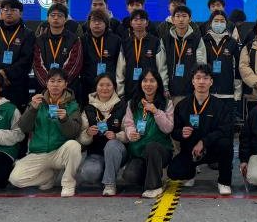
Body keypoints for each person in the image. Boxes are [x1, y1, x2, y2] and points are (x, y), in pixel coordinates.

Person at [8, 69, 84, 196]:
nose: (55, 85)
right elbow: (24, 128)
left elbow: (74, 133)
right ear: (46, 83)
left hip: (59, 152)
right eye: (52, 81)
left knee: (74, 145)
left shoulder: (72, 105)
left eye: (59, 81)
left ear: (65, 84)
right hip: (39, 152)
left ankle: (68, 183)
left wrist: (65, 119)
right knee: (15, 179)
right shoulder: (37, 102)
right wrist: (32, 109)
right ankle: (49, 176)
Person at [168, 65, 236, 195]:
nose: (201, 81)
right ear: (192, 81)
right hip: (190, 150)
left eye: (205, 78)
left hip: (212, 149)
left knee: (226, 144)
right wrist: (181, 133)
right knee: (174, 172)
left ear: (211, 81)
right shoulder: (182, 105)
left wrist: (204, 142)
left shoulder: (220, 106)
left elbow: (225, 130)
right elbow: (174, 132)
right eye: (198, 78)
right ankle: (191, 173)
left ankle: (224, 182)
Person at [121, 69, 174, 199]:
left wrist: (156, 111)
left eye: (152, 81)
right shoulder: (132, 103)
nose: (148, 84)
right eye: (145, 81)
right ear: (140, 83)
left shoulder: (167, 103)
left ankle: (155, 186)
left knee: (152, 146)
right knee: (130, 176)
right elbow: (128, 124)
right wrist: (131, 133)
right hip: (139, 151)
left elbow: (168, 128)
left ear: (158, 84)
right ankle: (152, 175)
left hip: (160, 151)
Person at [77, 74, 128, 196]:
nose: (105, 88)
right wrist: (88, 133)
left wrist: (116, 136)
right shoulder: (88, 108)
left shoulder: (122, 106)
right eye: (101, 85)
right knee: (88, 173)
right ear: (96, 87)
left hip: (118, 152)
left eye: (108, 85)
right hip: (96, 153)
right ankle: (107, 172)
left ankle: (110, 184)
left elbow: (128, 134)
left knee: (112, 144)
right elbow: (81, 139)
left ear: (114, 87)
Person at [0, 0, 35, 110]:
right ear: (1, 12)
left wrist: (6, 73)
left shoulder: (28, 34)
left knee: (17, 115)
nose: (9, 13)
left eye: (13, 10)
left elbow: (26, 59)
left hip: (17, 84)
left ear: (20, 13)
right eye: (5, 10)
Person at [116, 8, 169, 99]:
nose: (139, 23)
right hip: (130, 88)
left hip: (151, 88)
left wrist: (164, 87)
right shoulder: (125, 43)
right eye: (136, 20)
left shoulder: (155, 42)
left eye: (142, 20)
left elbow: (162, 67)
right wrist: (120, 92)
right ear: (131, 23)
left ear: (147, 23)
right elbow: (120, 70)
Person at [163, 5, 206, 104]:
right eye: (178, 16)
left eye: (184, 16)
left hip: (191, 91)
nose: (181, 19)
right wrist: (165, 87)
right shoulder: (165, 40)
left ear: (190, 19)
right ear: (173, 19)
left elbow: (201, 64)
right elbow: (162, 65)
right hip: (170, 91)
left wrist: (198, 86)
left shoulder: (197, 39)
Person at [33, 3, 82, 91]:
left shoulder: (74, 39)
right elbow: (37, 65)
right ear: (48, 18)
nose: (56, 18)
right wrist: (49, 84)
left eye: (60, 15)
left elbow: (74, 65)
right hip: (44, 89)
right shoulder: (39, 40)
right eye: (53, 15)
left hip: (68, 88)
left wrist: (61, 83)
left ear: (66, 19)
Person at [203, 10, 240, 118]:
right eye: (216, 21)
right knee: (209, 123)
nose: (219, 23)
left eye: (222, 21)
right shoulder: (204, 41)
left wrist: (237, 92)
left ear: (226, 23)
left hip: (227, 92)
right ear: (210, 23)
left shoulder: (232, 42)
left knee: (227, 122)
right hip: (208, 92)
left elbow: (237, 68)